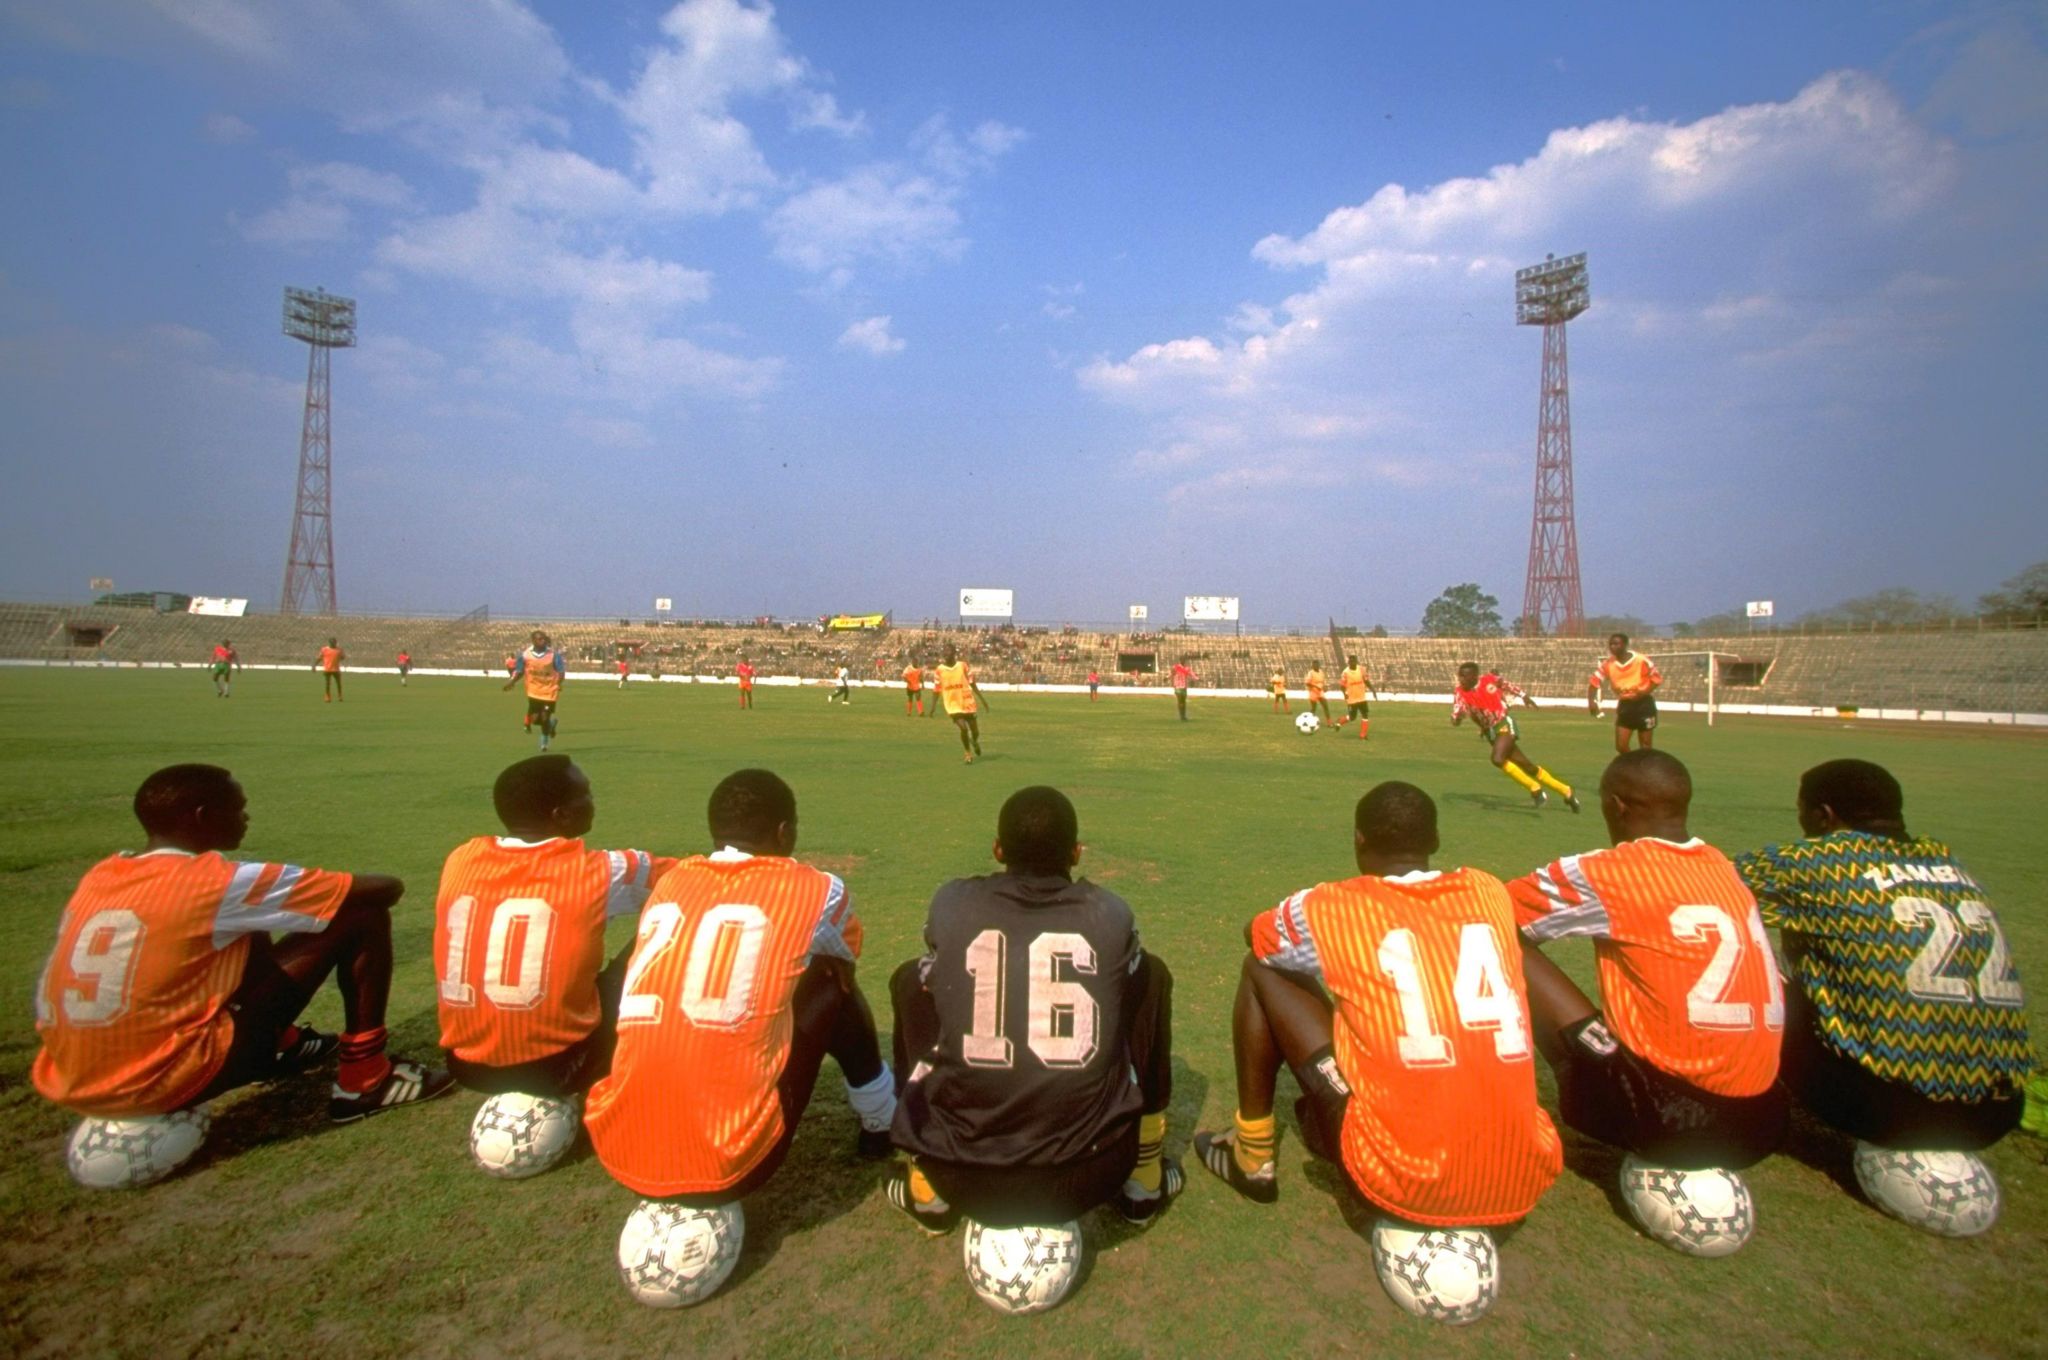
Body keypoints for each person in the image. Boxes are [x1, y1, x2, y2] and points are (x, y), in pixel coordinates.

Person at [1193, 782, 1561, 1226]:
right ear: (1436, 842)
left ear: (1358, 839)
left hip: (1401, 1177)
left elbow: (1257, 936)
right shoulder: (1489, 892)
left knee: (1263, 967)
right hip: (1524, 1174)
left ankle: (1250, 1153)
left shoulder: (1333, 906)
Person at [32, 764, 452, 1124]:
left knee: (250, 920)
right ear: (201, 816)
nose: (246, 817)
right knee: (359, 915)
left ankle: (285, 1044)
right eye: (238, 808)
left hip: (71, 1076)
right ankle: (365, 1079)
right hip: (152, 1079)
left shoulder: (103, 875)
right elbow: (384, 889)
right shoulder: (214, 882)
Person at [584, 770, 897, 1202]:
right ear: (784, 832)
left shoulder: (672, 881)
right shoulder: (818, 888)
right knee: (830, 982)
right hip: (730, 1160)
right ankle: (880, 1119)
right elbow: (844, 962)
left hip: (619, 1140)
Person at [889, 787, 1181, 1229]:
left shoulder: (953, 901)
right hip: (1090, 1172)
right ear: (1077, 853)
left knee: (913, 980)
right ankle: (1144, 1177)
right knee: (1150, 975)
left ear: (998, 850)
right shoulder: (1109, 912)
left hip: (959, 1170)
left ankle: (926, 1191)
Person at [1508, 750, 1787, 1170]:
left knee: (1497, 935)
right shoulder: (1724, 867)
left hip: (1673, 1122)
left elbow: (1491, 909)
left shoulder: (1611, 871)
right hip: (1765, 1120)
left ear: (1616, 806)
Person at [1734, 759, 2029, 1150]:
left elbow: (1703, 890)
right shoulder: (1950, 863)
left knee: (1746, 958)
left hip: (1894, 1110)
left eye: (1802, 810)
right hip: (1998, 1111)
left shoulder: (1812, 862)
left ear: (1823, 815)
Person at [435, 756, 676, 1097]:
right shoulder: (602, 870)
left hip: (465, 1067)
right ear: (560, 815)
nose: (593, 802)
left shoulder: (460, 859)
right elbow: (686, 879)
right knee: (665, 926)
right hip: (558, 1067)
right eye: (586, 795)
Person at [1451, 662, 1579, 810]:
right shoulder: (1459, 692)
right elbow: (1456, 715)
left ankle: (1535, 789)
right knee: (1527, 766)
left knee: (1497, 759)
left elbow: (1507, 685)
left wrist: (1524, 696)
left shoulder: (1489, 679)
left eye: (1463, 675)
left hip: (1503, 723)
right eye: (1459, 675)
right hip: (1490, 733)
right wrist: (1458, 718)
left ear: (1474, 676)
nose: (1460, 678)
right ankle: (1566, 791)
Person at [1588, 633, 1662, 754]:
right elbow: (1594, 683)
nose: (1613, 647)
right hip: (1625, 706)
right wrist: (1591, 702)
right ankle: (1634, 766)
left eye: (1616, 644)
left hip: (1644, 705)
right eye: (1611, 644)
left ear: (1625, 645)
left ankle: (1643, 770)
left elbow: (1656, 679)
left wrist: (1643, 692)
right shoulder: (1608, 664)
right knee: (1621, 746)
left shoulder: (1641, 660)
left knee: (1646, 746)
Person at [504, 630, 566, 752]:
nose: (543, 641)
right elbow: (520, 671)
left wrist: (558, 683)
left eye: (544, 639)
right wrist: (512, 682)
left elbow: (561, 672)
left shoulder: (554, 655)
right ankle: (552, 724)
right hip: (533, 691)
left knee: (544, 717)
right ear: (533, 641)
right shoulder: (526, 655)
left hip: (549, 692)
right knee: (534, 719)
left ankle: (544, 743)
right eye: (539, 639)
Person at [935, 644, 985, 763]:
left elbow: (972, 682)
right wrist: (932, 708)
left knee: (975, 732)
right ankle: (967, 753)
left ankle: (974, 741)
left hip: (967, 703)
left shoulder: (963, 666)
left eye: (948, 650)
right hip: (952, 706)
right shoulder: (939, 670)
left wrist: (982, 698)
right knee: (963, 728)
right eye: (944, 651)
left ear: (954, 652)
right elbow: (936, 689)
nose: (945, 653)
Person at [1332, 655, 1379, 739]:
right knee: (1352, 717)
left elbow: (1366, 681)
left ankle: (1363, 735)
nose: (1352, 663)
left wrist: (1373, 690)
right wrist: (1344, 694)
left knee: (1365, 715)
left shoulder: (1361, 669)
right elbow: (1342, 686)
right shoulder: (1345, 673)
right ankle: (1340, 722)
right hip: (1352, 699)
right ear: (1348, 662)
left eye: (1354, 661)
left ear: (1356, 662)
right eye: (1350, 661)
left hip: (1362, 697)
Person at [316, 637, 346, 703]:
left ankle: (339, 696)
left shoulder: (339, 650)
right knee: (327, 684)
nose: (333, 644)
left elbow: (343, 657)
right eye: (332, 642)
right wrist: (314, 665)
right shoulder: (324, 649)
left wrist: (340, 657)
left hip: (336, 669)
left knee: (338, 683)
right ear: (329, 643)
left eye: (334, 642)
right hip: (327, 669)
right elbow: (319, 658)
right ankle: (327, 697)